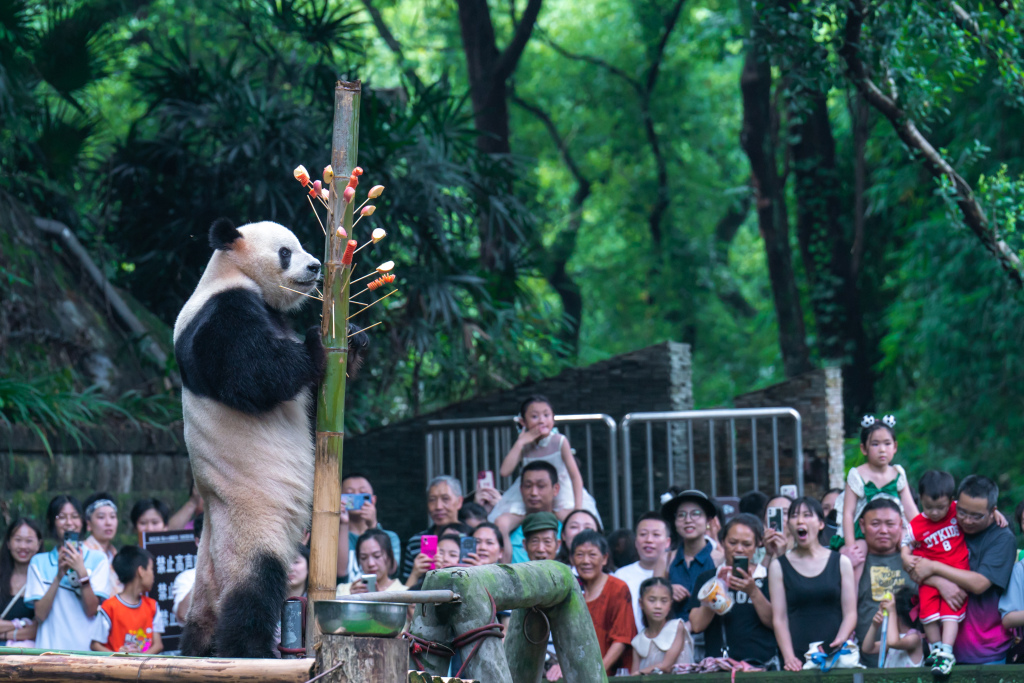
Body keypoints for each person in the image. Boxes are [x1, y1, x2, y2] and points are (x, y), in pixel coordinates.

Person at [908, 475, 1015, 665]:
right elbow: (915, 568)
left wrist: (934, 567)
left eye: (976, 516)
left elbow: (980, 583)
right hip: (940, 649)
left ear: (993, 512)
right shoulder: (946, 521)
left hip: (984, 651)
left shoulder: (1001, 537)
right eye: (962, 512)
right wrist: (939, 583)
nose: (967, 520)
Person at [769, 496, 857, 672]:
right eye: (794, 516)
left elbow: (850, 613)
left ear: (821, 524)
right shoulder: (778, 566)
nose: (800, 520)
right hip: (797, 660)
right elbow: (779, 618)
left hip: (836, 655)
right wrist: (789, 657)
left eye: (807, 515)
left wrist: (838, 643)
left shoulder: (841, 562)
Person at [490, 396, 599, 537]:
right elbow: (505, 471)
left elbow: (575, 477)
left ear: (553, 418)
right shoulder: (524, 444)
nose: (542, 420)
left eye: (546, 415)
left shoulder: (560, 441)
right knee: (500, 523)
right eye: (535, 416)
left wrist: (577, 509)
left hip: (561, 492)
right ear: (523, 421)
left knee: (578, 525)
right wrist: (520, 443)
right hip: (532, 493)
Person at [833, 416, 919, 583]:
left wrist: (924, 533)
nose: (882, 450)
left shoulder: (898, 472)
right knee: (858, 555)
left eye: (887, 444)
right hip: (863, 529)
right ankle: (853, 600)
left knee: (909, 544)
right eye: (875, 444)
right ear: (863, 449)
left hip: (893, 525)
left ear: (895, 447)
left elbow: (910, 508)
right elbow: (848, 513)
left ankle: (914, 593)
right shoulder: (857, 474)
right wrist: (851, 546)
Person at [688, 513, 777, 667]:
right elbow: (696, 625)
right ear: (722, 542)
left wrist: (753, 591)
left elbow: (776, 622)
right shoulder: (709, 578)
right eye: (733, 542)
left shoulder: (768, 577)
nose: (739, 549)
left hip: (761, 667)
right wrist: (717, 588)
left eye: (747, 544)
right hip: (720, 667)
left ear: (757, 545)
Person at [26, 495, 112, 650]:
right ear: (51, 522)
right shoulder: (39, 562)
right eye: (62, 517)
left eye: (74, 516)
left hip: (84, 654)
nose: (69, 523)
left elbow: (92, 611)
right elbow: (40, 615)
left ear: (83, 522)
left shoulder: (98, 560)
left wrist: (82, 573)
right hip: (48, 653)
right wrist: (58, 576)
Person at [900, 470, 964, 674]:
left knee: (949, 612)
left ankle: (947, 651)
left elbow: (980, 510)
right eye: (929, 507)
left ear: (951, 501)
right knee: (927, 614)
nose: (935, 512)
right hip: (928, 579)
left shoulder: (957, 511)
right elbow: (904, 543)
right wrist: (904, 556)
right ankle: (935, 649)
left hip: (956, 574)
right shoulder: (917, 524)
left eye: (940, 508)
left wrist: (996, 512)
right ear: (920, 501)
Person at [854, 498, 916, 668]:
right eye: (875, 524)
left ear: (901, 525)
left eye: (890, 524)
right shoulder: (854, 563)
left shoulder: (913, 560)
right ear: (862, 525)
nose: (883, 531)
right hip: (864, 663)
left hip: (909, 663)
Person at [573, 530, 636, 673]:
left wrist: (597, 674)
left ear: (605, 558)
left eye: (592, 554)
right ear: (572, 559)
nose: (586, 561)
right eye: (580, 555)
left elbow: (621, 640)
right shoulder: (571, 591)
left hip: (611, 674)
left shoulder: (618, 588)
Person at [90, 546, 163, 654]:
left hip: (142, 669)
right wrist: (118, 656)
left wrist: (139, 657)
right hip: (115, 669)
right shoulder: (109, 607)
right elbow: (95, 645)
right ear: (141, 571)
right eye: (151, 569)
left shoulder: (152, 606)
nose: (153, 575)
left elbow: (158, 645)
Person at [662, 490, 717, 619]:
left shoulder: (719, 559)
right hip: (674, 635)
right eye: (681, 515)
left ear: (708, 520)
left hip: (710, 636)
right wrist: (668, 591)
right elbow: (652, 596)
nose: (688, 520)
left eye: (696, 514)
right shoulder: (666, 559)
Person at [614, 512, 672, 633]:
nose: (649, 540)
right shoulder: (621, 576)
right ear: (636, 541)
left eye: (656, 535)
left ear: (667, 542)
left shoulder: (675, 573)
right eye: (643, 534)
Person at [337, 474, 402, 581]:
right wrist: (343, 524)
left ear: (373, 500)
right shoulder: (334, 539)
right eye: (350, 494)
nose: (357, 497)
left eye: (363, 494)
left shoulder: (390, 537)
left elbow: (392, 570)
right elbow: (340, 573)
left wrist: (373, 526)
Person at [403, 476, 463, 581]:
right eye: (432, 500)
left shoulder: (473, 538)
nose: (438, 506)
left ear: (459, 502)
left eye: (445, 499)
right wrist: (415, 573)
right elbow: (405, 590)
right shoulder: (415, 542)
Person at [631, 577, 694, 675]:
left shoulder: (677, 627)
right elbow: (633, 676)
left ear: (670, 604)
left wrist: (640, 673)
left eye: (664, 601)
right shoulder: (638, 641)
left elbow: (666, 666)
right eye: (652, 600)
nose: (658, 606)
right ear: (641, 603)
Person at [0, 518, 43, 646]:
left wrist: (5, 634)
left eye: (29, 541)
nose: (23, 546)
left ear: (38, 544)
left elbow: (37, 630)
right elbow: (30, 629)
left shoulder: (45, 579)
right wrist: (21, 624)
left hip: (27, 657)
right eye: (18, 540)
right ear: (8, 543)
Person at [508, 462, 562, 563]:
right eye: (528, 486)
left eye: (541, 486)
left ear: (555, 489)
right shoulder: (508, 532)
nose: (534, 492)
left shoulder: (567, 531)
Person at [862, 586, 924, 668]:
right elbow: (867, 648)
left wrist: (891, 612)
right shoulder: (896, 638)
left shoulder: (915, 638)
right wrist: (875, 625)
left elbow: (893, 642)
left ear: (897, 616)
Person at [338, 529, 409, 596]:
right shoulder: (344, 590)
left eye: (377, 556)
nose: (371, 564)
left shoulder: (404, 593)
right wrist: (351, 599)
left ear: (389, 556)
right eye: (363, 557)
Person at [81, 494, 121, 596]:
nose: (108, 523)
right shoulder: (83, 553)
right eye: (101, 517)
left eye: (112, 517)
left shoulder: (115, 555)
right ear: (88, 525)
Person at [173, 513, 203, 624]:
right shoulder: (186, 578)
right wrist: (205, 574)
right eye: (209, 537)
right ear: (198, 542)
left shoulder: (237, 574)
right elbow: (183, 614)